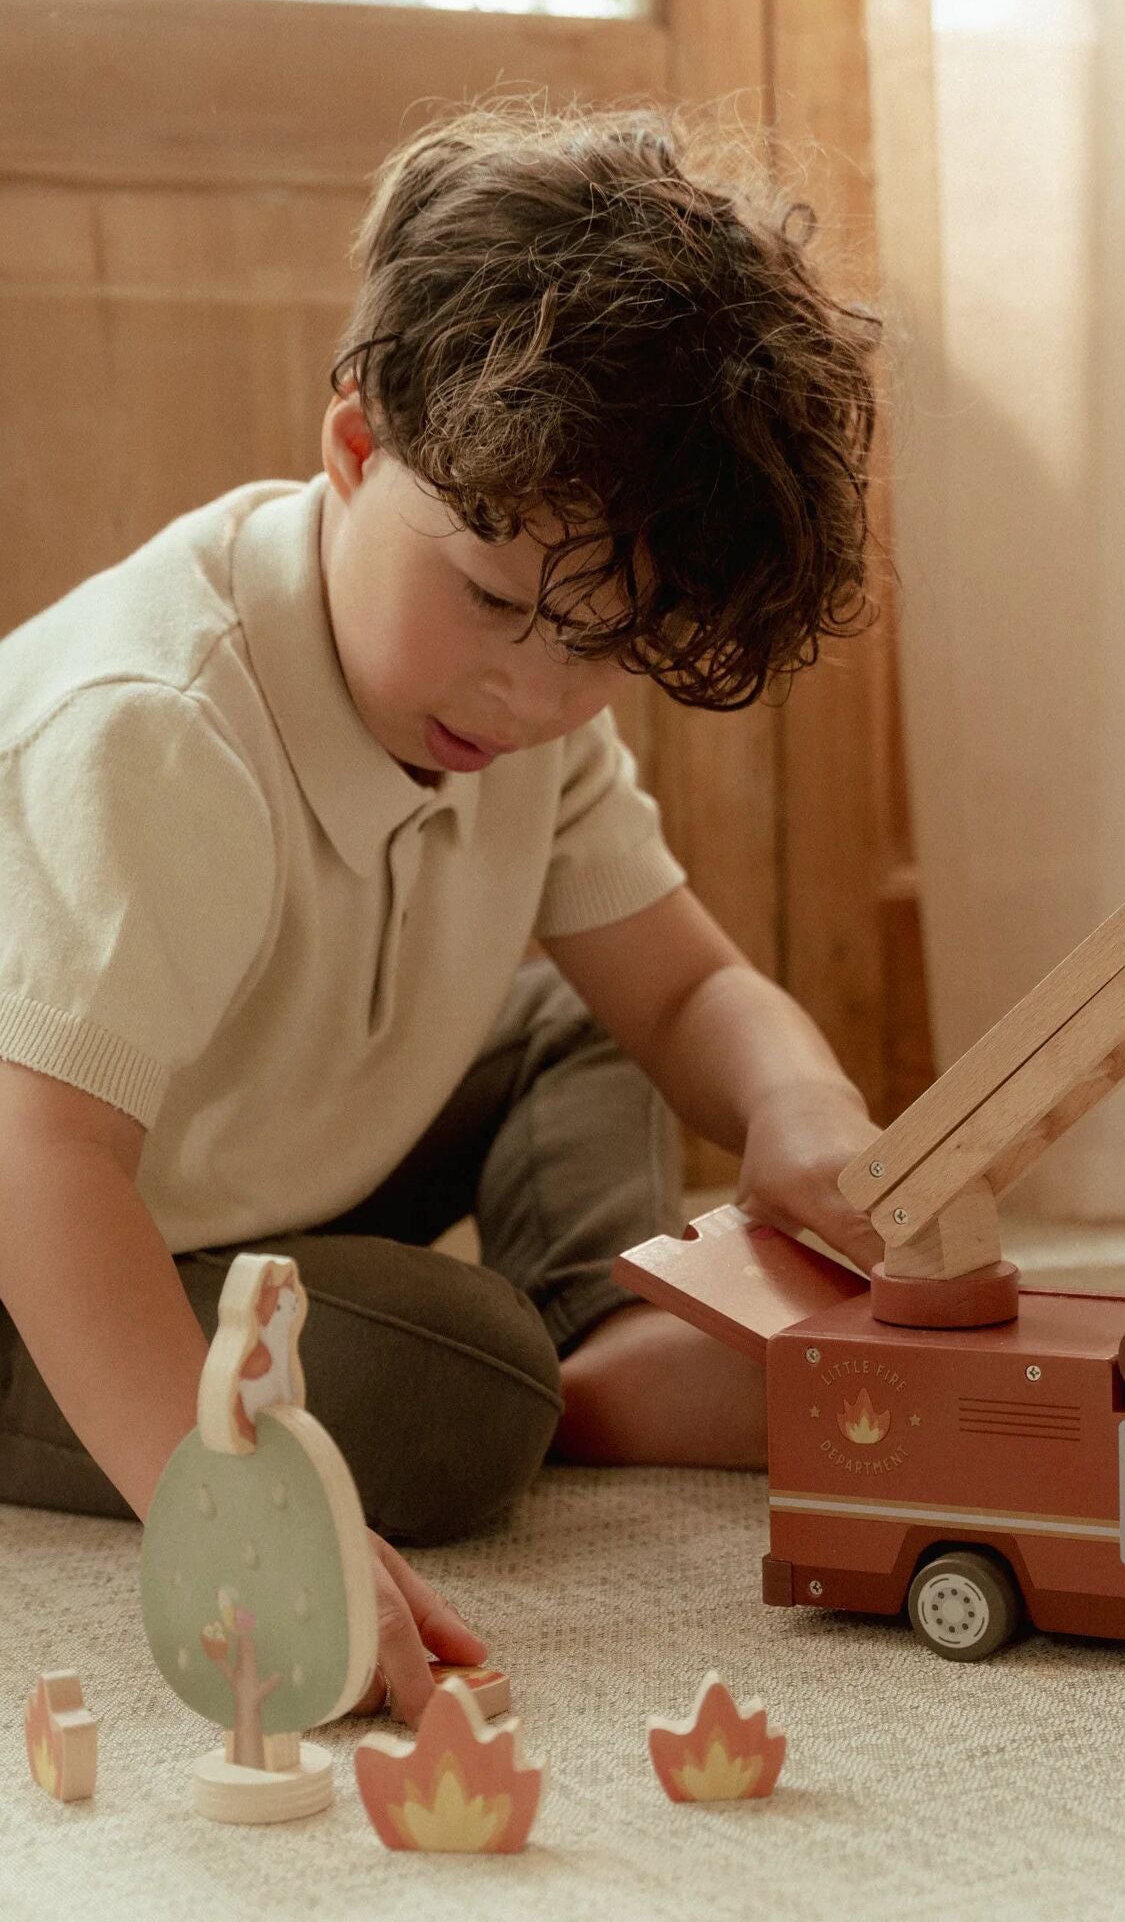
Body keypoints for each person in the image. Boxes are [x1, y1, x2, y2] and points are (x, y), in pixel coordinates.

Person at [0, 101, 884, 1722]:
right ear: (356, 442)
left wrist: (798, 1102)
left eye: (603, 646)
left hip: (257, 1143)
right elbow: (44, 1163)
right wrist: (236, 1516)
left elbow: (681, 996)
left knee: (575, 1031)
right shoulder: (156, 726)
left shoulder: (516, 715)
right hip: (43, 1239)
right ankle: (566, 1383)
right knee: (458, 1385)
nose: (533, 692)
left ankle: (604, 1338)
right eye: (488, 600)